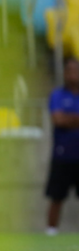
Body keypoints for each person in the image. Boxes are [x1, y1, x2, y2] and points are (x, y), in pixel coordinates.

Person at [45, 57, 79, 236]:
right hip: (62, 156)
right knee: (56, 197)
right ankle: (51, 232)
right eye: (69, 70)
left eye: (76, 70)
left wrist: (69, 119)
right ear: (64, 73)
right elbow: (58, 119)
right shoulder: (57, 95)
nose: (73, 74)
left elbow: (64, 119)